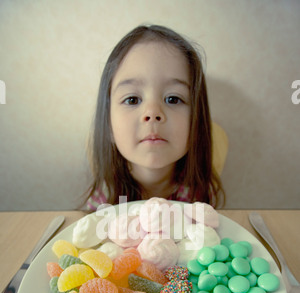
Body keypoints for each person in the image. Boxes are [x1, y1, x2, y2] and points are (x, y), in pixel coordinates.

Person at [84, 24, 225, 212]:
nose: (152, 113)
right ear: (108, 125)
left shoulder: (198, 197)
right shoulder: (105, 198)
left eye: (173, 99)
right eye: (132, 99)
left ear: (197, 123)